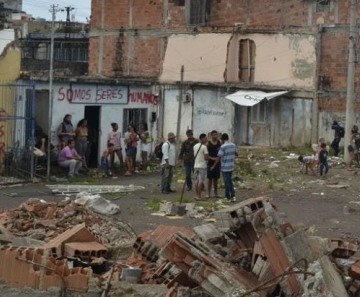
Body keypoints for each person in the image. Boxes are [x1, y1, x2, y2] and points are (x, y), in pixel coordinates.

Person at [212, 133, 237, 203]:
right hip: (231, 166)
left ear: (222, 139)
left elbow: (218, 157)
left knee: (226, 182)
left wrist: (213, 166)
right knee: (230, 181)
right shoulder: (233, 145)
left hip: (225, 167)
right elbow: (236, 153)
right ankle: (233, 196)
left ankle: (227, 197)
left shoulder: (223, 147)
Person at [193, 133, 209, 201]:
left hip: (196, 165)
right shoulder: (204, 147)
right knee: (200, 181)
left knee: (196, 181)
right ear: (202, 139)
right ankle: (199, 196)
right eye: (205, 138)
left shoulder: (195, 146)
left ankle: (197, 195)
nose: (206, 139)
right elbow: (206, 157)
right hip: (202, 166)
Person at [207, 130, 222, 198]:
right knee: (210, 179)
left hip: (218, 162)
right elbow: (205, 154)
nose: (216, 136)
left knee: (216, 179)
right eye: (214, 135)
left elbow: (221, 152)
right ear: (211, 135)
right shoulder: (208, 143)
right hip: (210, 162)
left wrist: (218, 158)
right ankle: (209, 193)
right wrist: (211, 158)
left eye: (216, 135)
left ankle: (216, 193)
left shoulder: (219, 142)